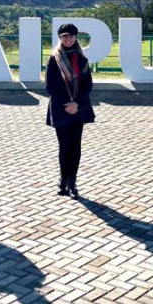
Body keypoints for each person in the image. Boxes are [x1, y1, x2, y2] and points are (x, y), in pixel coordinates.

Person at [45, 23, 95, 198]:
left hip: (78, 109)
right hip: (61, 109)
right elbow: (49, 86)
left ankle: (73, 182)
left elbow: (88, 85)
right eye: (65, 36)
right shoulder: (54, 59)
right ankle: (63, 180)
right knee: (64, 146)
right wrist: (67, 103)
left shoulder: (82, 60)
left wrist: (77, 104)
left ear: (75, 38)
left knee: (75, 146)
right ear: (60, 38)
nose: (68, 39)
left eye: (71, 36)